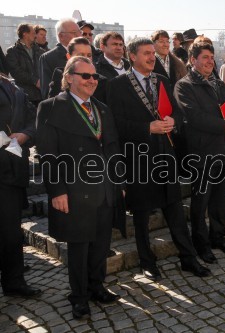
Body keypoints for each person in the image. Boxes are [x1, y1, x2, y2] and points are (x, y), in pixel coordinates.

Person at [107, 38, 210, 279]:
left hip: (165, 156)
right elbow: (115, 124)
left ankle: (188, 258)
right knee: (141, 216)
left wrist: (173, 120)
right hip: (138, 160)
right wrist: (146, 128)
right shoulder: (117, 85)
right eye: (146, 54)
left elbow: (176, 110)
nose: (152, 57)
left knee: (175, 211)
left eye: (153, 53)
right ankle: (147, 262)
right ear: (132, 56)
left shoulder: (162, 80)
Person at [36, 56, 122, 319]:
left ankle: (97, 286)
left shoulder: (102, 109)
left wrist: (120, 182)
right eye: (86, 76)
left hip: (105, 188)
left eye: (95, 76)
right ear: (70, 77)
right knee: (80, 246)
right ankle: (79, 296)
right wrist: (57, 191)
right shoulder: (51, 107)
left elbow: (113, 148)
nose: (92, 81)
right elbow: (48, 154)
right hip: (74, 190)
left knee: (100, 243)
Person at [174, 42, 225, 260]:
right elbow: (195, 117)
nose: (210, 61)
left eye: (212, 57)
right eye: (205, 57)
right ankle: (201, 244)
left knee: (221, 200)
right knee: (201, 201)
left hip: (224, 150)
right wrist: (224, 125)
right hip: (202, 153)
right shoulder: (184, 85)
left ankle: (218, 237)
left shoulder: (218, 83)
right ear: (193, 60)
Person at [0, 74, 41, 298]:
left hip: (13, 169)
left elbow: (34, 117)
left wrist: (26, 134)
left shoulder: (11, 84)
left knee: (11, 231)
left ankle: (13, 280)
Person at [47, 37, 106, 102]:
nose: (86, 59)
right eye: (81, 55)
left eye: (89, 55)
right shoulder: (59, 78)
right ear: (68, 56)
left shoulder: (101, 81)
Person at [39, 18, 81, 98]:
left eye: (79, 32)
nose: (79, 36)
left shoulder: (86, 54)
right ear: (61, 36)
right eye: (74, 33)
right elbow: (47, 91)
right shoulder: (48, 58)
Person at [6, 23, 44, 106]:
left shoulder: (39, 51)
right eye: (33, 33)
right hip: (24, 96)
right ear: (25, 34)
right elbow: (16, 72)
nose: (35, 36)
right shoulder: (12, 51)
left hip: (41, 95)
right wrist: (35, 81)